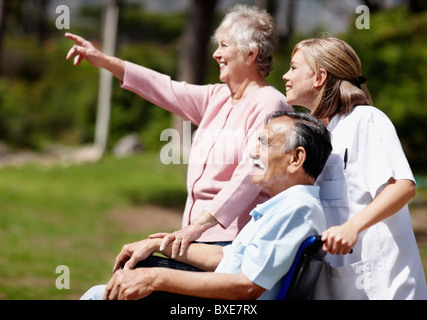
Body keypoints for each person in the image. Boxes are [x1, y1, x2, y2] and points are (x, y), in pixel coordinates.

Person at [65, 5, 291, 257]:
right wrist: (104, 60)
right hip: (196, 238)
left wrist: (197, 227)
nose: (216, 54)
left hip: (231, 244)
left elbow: (250, 175)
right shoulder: (218, 97)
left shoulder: (271, 104)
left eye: (224, 46)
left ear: (251, 54)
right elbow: (164, 87)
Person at [80, 110, 333, 300]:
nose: (254, 153)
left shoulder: (297, 209)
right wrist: (160, 245)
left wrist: (155, 278)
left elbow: (246, 287)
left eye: (265, 143)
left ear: (296, 158)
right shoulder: (287, 206)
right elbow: (226, 256)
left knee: (98, 295)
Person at [282, 36, 427, 299]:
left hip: (383, 285)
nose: (284, 75)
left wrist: (352, 227)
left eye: (293, 67)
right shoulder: (319, 135)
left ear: (319, 77)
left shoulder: (366, 119)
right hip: (339, 283)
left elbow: (403, 186)